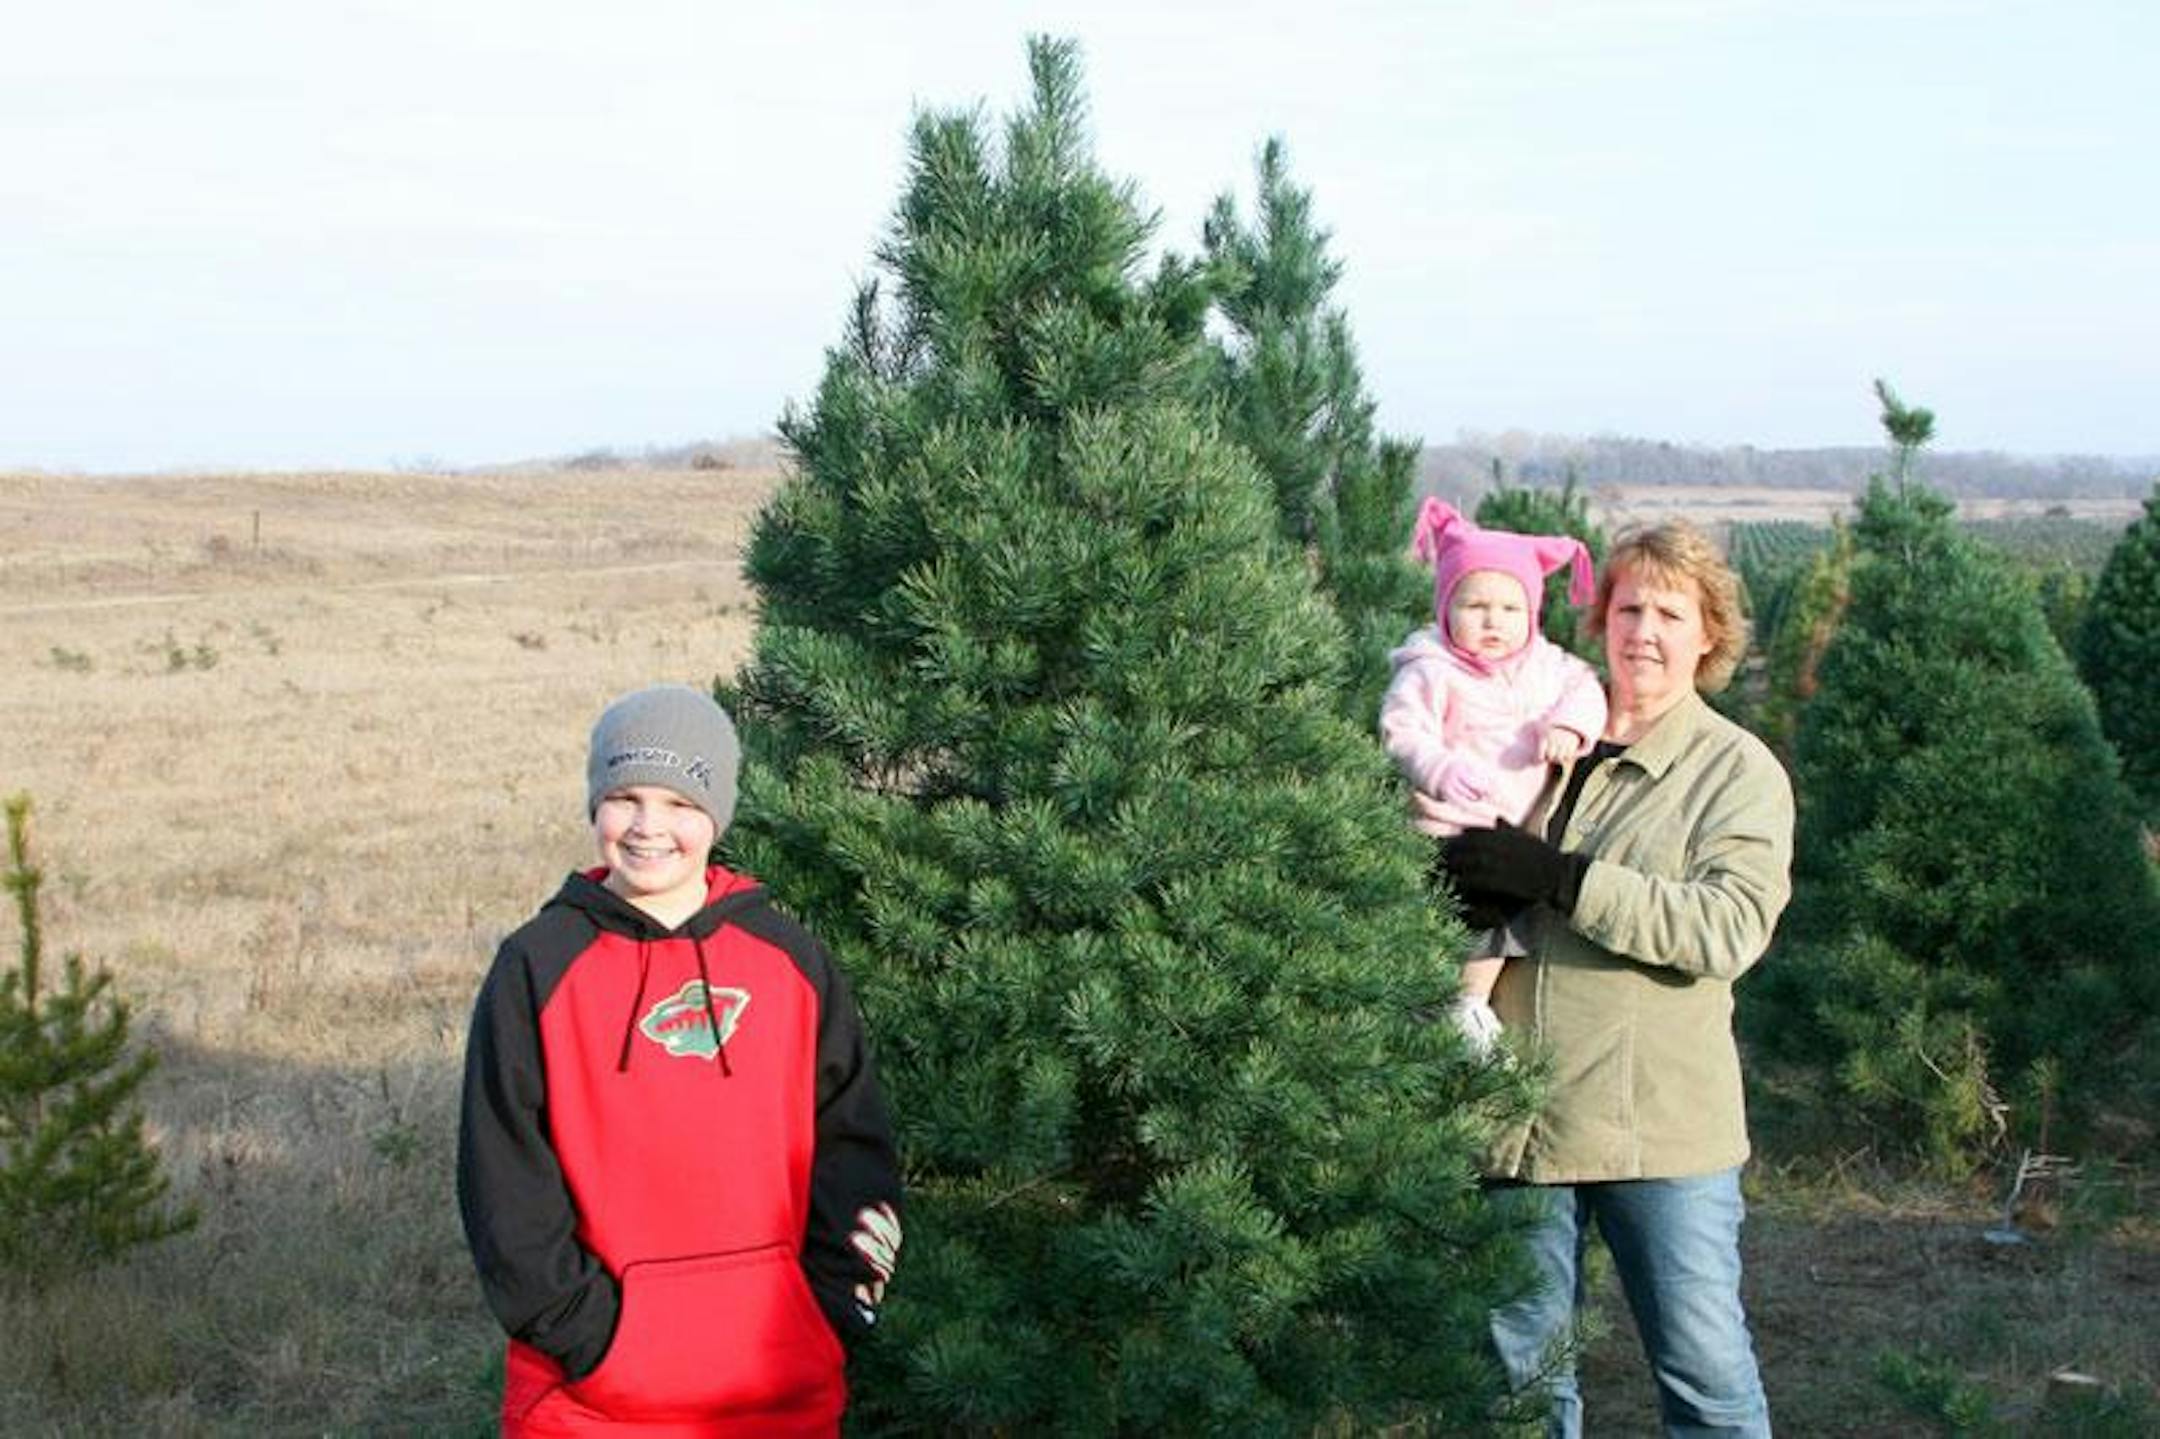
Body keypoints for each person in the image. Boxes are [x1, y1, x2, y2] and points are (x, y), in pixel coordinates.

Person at [458, 684, 903, 1438]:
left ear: (717, 814)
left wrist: (829, 1307)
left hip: (777, 1389)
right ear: (595, 804)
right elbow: (504, 1179)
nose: (648, 827)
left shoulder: (789, 962)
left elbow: (854, 1147)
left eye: (679, 802)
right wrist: (587, 1336)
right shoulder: (537, 966)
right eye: (624, 797)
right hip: (586, 1402)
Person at [1439, 520, 1794, 1438]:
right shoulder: (1527, 743)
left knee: (1706, 1381)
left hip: (1661, 1135)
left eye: (1671, 612)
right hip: (1515, 1128)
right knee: (1520, 1387)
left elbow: (1728, 927)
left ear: (1709, 634)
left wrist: (1564, 880)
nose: (1644, 629)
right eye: (1629, 605)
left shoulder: (1733, 771)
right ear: (1599, 617)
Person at [1379, 497, 1606, 1053]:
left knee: (1507, 921)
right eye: (1474, 605)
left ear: (1531, 615)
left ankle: (1469, 1007)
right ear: (1445, 609)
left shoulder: (1547, 667)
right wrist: (1439, 767)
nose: (1492, 621)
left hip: (1519, 824)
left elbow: (1587, 691)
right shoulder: (1431, 670)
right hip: (1451, 822)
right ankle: (1464, 1009)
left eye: (1510, 609)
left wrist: (1569, 729)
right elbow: (1402, 731)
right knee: (1474, 917)